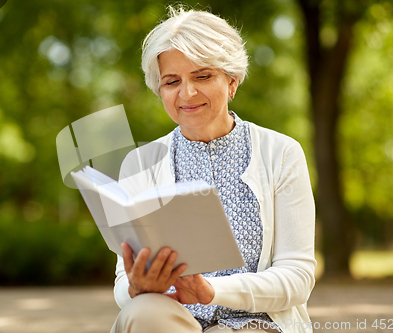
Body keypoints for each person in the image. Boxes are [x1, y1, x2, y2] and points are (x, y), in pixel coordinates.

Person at [110, 6, 316, 333]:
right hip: (176, 322)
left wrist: (212, 291)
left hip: (259, 325)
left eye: (202, 76)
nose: (187, 93)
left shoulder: (281, 153)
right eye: (172, 81)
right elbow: (123, 282)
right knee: (142, 310)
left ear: (232, 81)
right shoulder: (139, 164)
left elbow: (297, 277)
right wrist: (136, 288)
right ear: (159, 90)